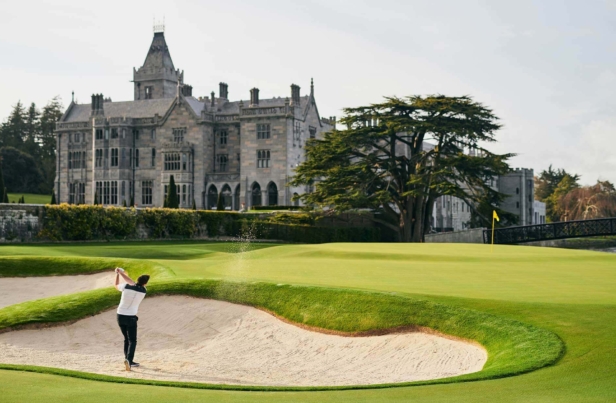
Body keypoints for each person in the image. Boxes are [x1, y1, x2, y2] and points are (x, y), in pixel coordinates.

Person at [114, 267, 150, 371]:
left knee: (126, 339)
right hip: (131, 318)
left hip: (120, 316)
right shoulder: (144, 291)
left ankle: (128, 359)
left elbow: (116, 285)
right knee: (132, 340)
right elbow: (132, 282)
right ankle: (129, 361)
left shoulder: (126, 286)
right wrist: (121, 273)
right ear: (145, 283)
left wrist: (118, 274)